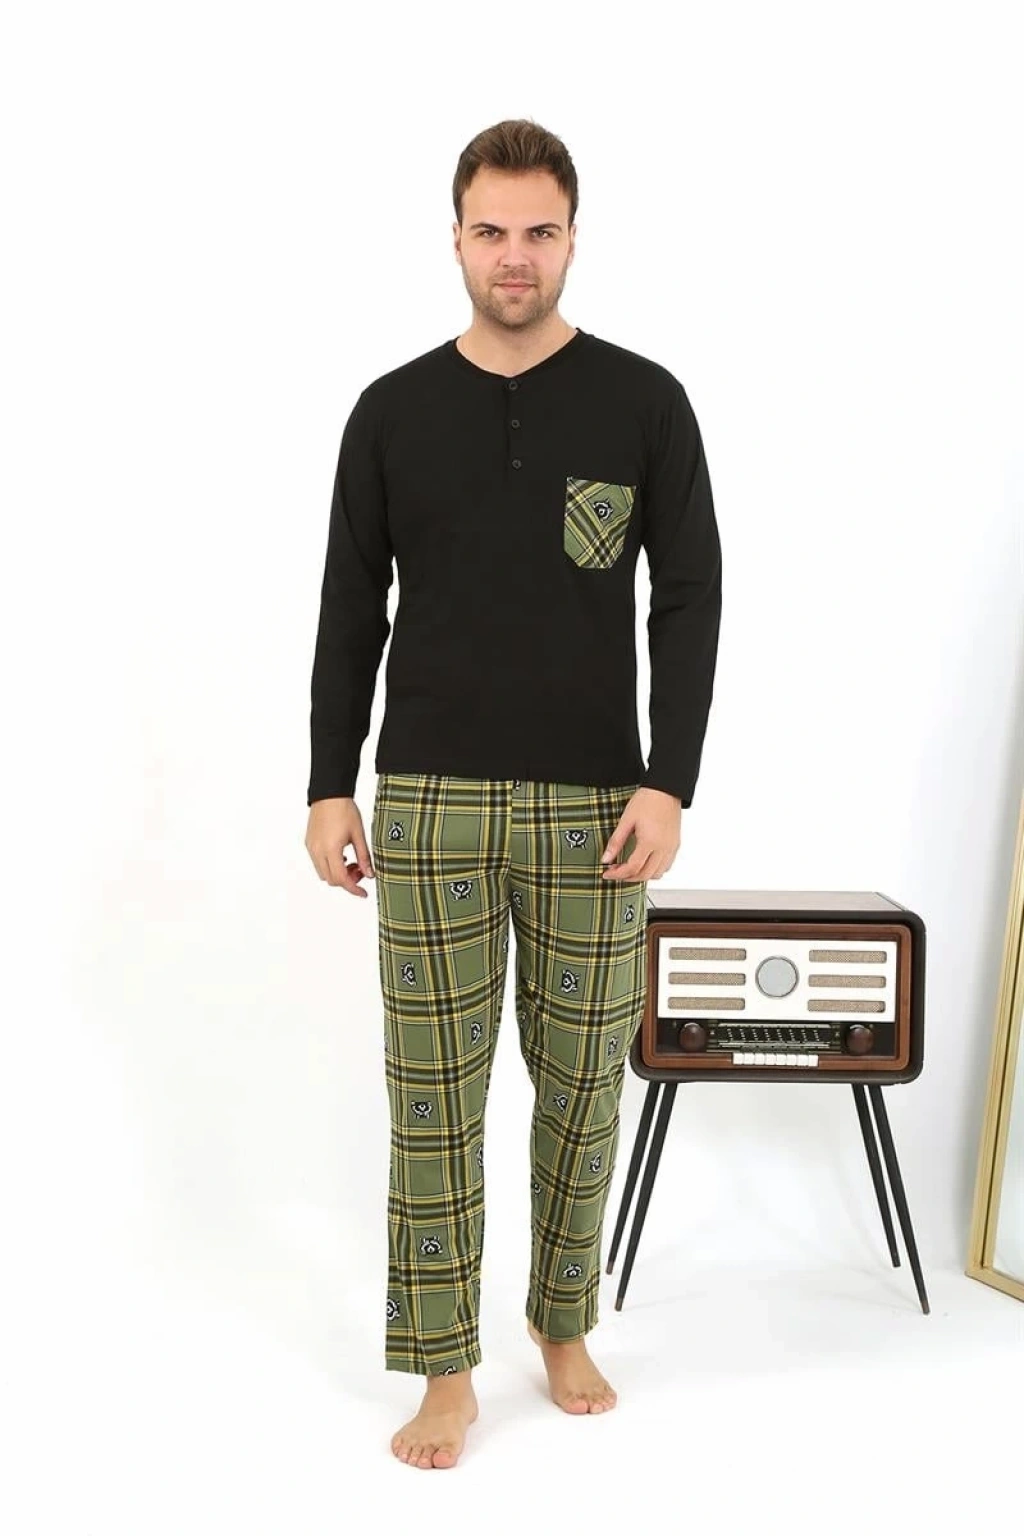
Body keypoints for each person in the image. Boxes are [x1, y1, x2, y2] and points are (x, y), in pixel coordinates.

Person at [304, 117, 723, 1470]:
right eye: (491, 230)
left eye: (540, 231)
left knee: (584, 1084)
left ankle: (561, 1321)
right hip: (425, 798)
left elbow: (691, 597)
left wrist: (670, 782)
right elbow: (349, 606)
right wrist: (327, 784)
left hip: (597, 809)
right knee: (432, 1093)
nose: (515, 256)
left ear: (573, 239)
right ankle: (444, 1370)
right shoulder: (391, 410)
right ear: (456, 239)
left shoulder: (645, 402)